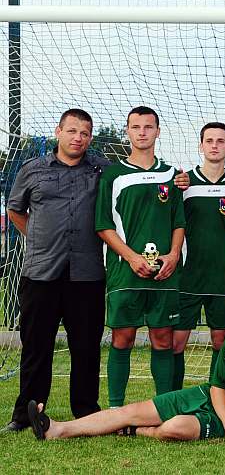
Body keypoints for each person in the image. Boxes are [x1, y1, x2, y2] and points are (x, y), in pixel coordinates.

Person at [28, 291, 225, 441]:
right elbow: (218, 388)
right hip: (208, 400)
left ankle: (139, 432)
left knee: (173, 429)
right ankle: (58, 429)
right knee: (132, 409)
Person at [3, 109, 110, 433]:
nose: (78, 138)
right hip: (40, 273)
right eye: (72, 131)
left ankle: (86, 412)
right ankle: (26, 414)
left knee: (86, 348)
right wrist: (39, 238)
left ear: (90, 138)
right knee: (36, 348)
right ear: (58, 132)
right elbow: (15, 209)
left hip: (87, 273)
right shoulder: (32, 169)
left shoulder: (102, 169)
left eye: (85, 133)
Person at [94, 106, 186, 407]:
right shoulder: (113, 174)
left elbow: (179, 222)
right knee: (123, 338)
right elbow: (104, 226)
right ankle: (116, 409)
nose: (142, 132)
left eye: (148, 127)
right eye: (136, 127)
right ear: (128, 132)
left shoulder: (171, 175)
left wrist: (173, 255)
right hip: (125, 271)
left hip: (164, 272)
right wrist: (133, 258)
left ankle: (163, 408)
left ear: (158, 131)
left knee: (163, 338)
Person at [173, 122, 225, 390]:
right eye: (209, 141)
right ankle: (172, 399)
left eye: (220, 141)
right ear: (200, 146)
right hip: (188, 276)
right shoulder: (183, 183)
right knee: (176, 342)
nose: (215, 146)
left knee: (220, 341)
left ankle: (215, 399)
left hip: (223, 277)